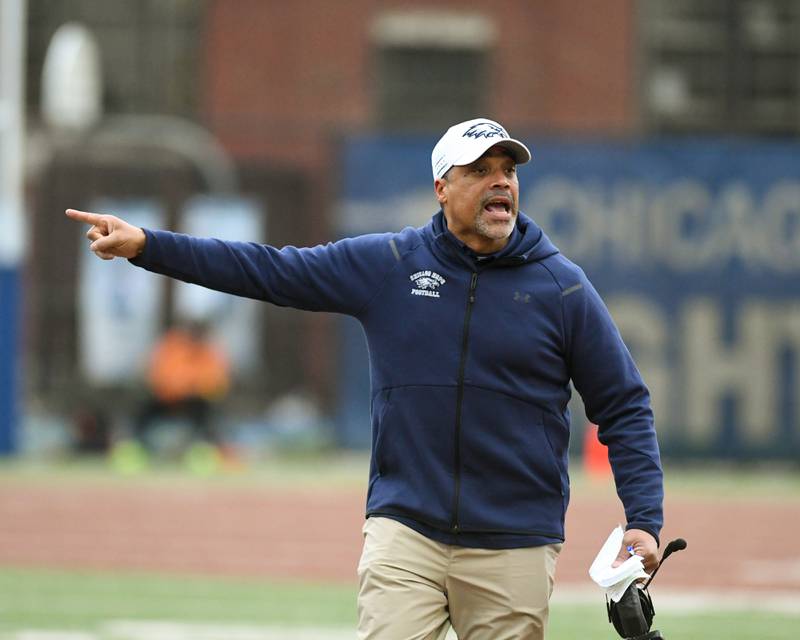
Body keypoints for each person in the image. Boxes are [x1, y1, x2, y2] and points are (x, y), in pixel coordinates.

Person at [67, 117, 663, 640]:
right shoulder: (390, 264)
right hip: (406, 531)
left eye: (507, 170)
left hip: (514, 541)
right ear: (442, 188)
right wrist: (148, 245)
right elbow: (269, 270)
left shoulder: (561, 287)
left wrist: (643, 520)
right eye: (480, 170)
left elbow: (624, 404)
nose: (501, 182)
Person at [134, 319, 230, 450]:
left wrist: (192, 387)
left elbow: (217, 384)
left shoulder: (210, 350)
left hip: (196, 402)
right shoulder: (172, 345)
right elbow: (159, 377)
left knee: (209, 412)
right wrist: (187, 386)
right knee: (143, 408)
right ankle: (137, 444)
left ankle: (205, 446)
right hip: (165, 398)